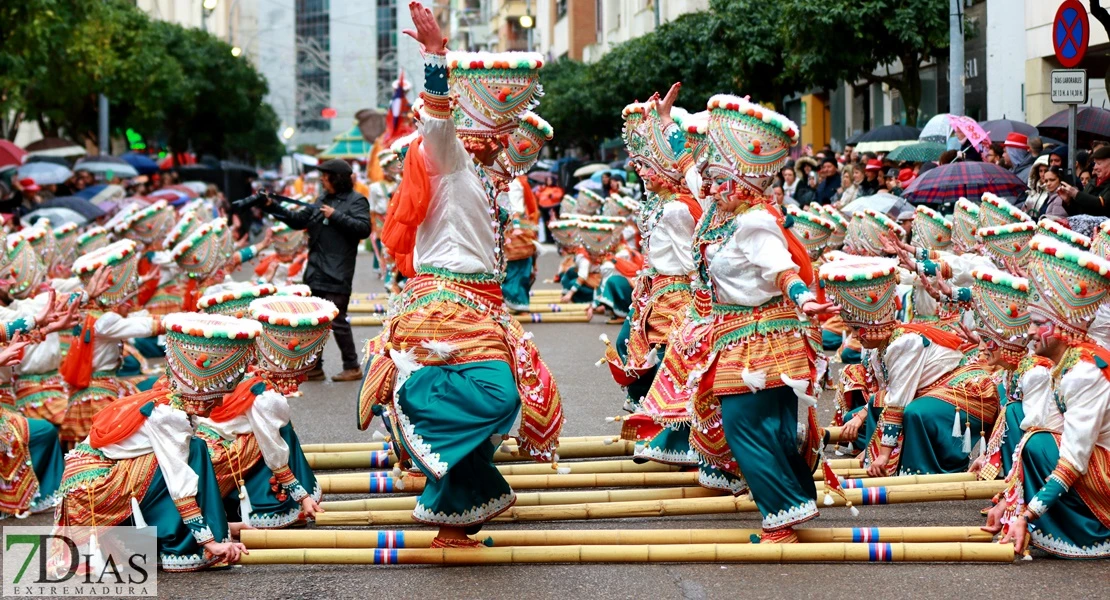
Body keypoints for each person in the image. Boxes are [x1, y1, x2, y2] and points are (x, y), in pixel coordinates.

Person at [358, 2, 563, 549]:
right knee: (495, 398)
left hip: (482, 305)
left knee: (506, 400)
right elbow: (437, 124)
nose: (506, 140)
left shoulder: (491, 180)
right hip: (443, 306)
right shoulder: (449, 164)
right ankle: (410, 397)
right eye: (498, 130)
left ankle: (451, 518)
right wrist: (435, 56)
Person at [261, 158, 370, 382]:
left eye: (325, 175)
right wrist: (273, 206)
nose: (321, 179)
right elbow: (298, 220)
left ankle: (352, 366)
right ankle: (314, 367)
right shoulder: (322, 199)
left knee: (338, 321)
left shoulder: (356, 200)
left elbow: (363, 228)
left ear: (336, 178)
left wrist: (335, 215)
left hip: (338, 272)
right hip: (316, 271)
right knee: (314, 322)